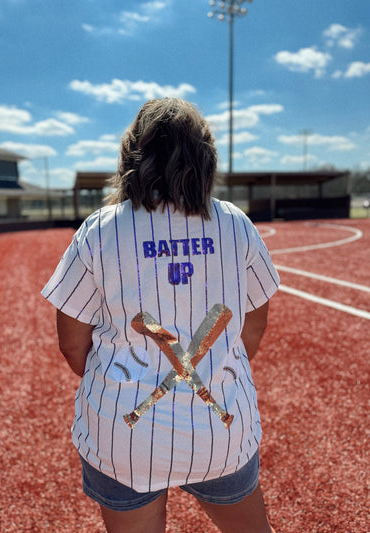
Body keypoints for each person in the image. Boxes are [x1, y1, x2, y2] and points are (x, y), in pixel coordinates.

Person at [42, 98, 279, 533]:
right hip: (221, 431)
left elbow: (72, 343)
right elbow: (255, 324)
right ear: (205, 157)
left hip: (121, 434)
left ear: (131, 157)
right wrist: (217, 368)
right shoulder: (236, 224)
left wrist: (118, 380)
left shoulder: (98, 229)